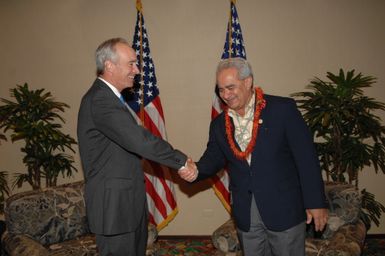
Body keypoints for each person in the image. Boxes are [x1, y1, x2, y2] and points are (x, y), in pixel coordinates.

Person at [179, 57, 328, 256]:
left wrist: (316, 202)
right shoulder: (219, 124)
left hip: (284, 209)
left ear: (248, 82)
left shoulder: (282, 110)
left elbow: (306, 158)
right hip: (246, 213)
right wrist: (195, 170)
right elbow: (213, 157)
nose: (225, 95)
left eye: (230, 87)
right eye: (221, 89)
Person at [77, 37, 194, 256]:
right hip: (114, 208)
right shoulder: (100, 100)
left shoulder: (111, 99)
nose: (138, 69)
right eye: (131, 63)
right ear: (110, 66)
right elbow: (139, 140)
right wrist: (180, 161)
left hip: (126, 203)